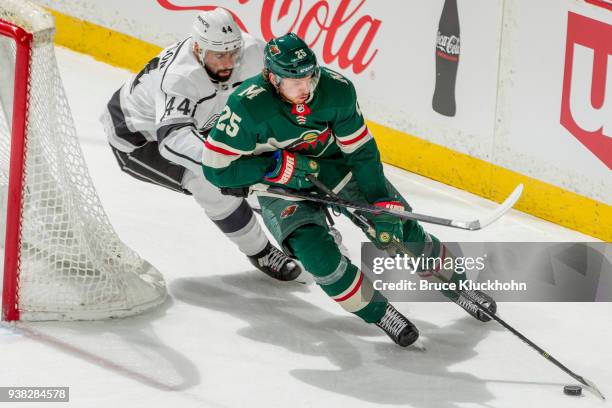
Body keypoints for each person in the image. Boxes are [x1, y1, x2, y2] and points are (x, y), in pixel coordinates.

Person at [203, 33, 496, 347]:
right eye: (294, 81)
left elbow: (361, 152)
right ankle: (381, 313)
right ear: (272, 78)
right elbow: (216, 168)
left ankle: (460, 287)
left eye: (309, 77)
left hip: (335, 167)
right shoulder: (247, 106)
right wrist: (274, 167)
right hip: (279, 186)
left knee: (400, 231)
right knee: (318, 258)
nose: (306, 88)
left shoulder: (336, 90)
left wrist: (380, 200)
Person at [100, 9, 300, 281]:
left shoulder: (252, 51)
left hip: (199, 123)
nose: (229, 63)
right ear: (197, 48)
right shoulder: (180, 78)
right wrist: (228, 171)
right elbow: (173, 140)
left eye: (233, 52)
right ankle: (260, 251)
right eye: (219, 55)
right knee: (211, 185)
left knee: (258, 162)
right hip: (138, 139)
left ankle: (292, 224)